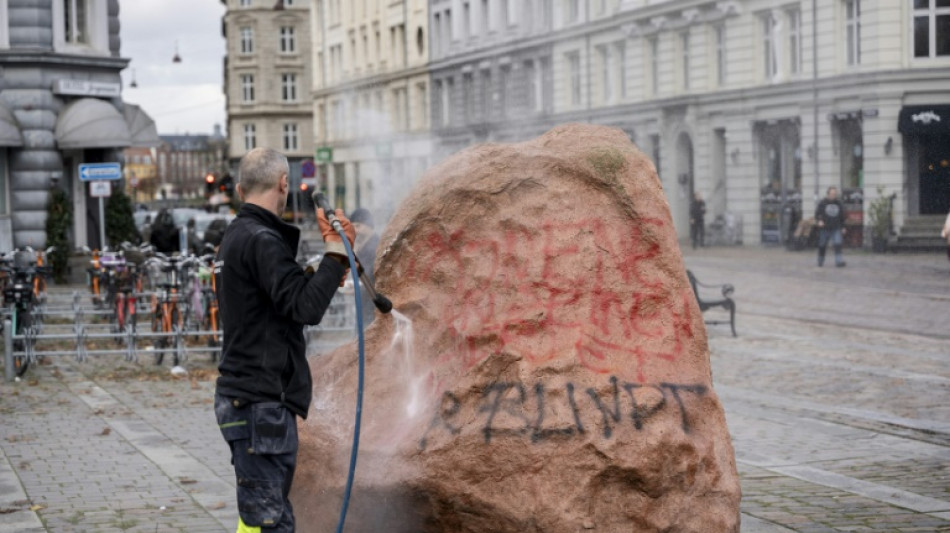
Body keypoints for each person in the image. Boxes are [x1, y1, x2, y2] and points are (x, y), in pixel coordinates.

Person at [213, 147, 356, 533]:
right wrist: (337, 255)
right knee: (272, 524)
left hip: (246, 400)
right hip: (260, 406)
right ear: (283, 184)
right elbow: (304, 307)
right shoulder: (263, 239)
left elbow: (277, 298)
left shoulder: (236, 237)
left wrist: (322, 270)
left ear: (240, 189)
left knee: (260, 520)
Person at [349, 207, 380, 326]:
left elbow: (372, 277)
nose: (354, 231)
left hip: (372, 310)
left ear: (369, 226)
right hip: (363, 307)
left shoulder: (376, 246)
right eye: (353, 227)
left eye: (358, 226)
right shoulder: (361, 247)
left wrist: (358, 287)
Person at [815, 186, 847, 267]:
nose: (833, 195)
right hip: (825, 228)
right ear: (828, 194)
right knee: (822, 245)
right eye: (832, 194)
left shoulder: (839, 203)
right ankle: (820, 260)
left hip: (836, 227)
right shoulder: (823, 203)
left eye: (835, 194)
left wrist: (843, 227)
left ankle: (838, 261)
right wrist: (819, 221)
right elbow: (817, 214)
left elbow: (842, 216)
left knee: (838, 243)